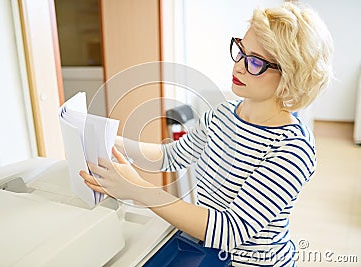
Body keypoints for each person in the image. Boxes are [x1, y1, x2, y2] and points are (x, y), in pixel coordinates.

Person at [79, 2, 333, 266]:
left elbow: (230, 231)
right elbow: (171, 155)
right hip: (208, 254)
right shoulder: (222, 114)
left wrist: (138, 189)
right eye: (241, 51)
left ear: (291, 76)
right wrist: (109, 140)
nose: (238, 67)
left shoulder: (292, 148)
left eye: (255, 62)